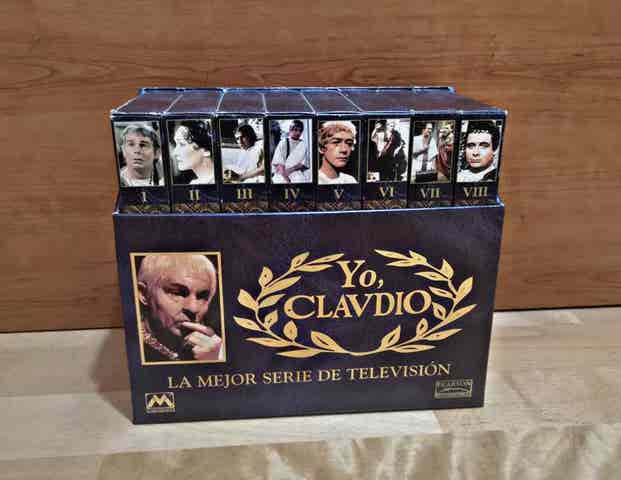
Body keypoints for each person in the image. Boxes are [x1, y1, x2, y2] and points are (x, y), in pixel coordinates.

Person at [137, 254, 223, 362]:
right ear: (143, 294)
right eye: (177, 293)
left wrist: (218, 359)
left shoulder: (216, 349)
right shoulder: (135, 350)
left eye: (202, 296)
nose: (193, 308)